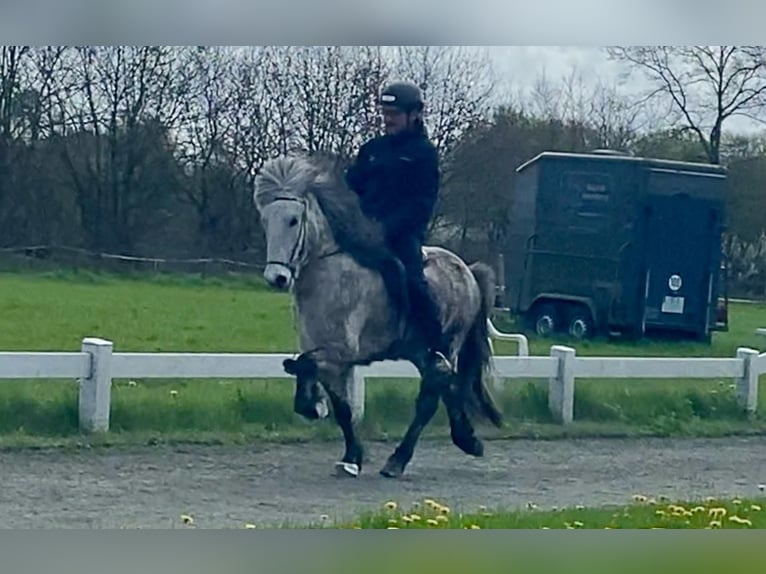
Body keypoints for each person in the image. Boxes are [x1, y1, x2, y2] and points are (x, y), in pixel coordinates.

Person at [344, 81, 452, 373]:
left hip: (401, 235)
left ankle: (436, 348)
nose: (388, 119)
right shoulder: (372, 150)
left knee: (413, 283)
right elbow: (351, 187)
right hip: (363, 233)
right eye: (385, 112)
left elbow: (421, 204)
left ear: (414, 114)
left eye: (394, 113)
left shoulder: (423, 154)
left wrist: (386, 229)